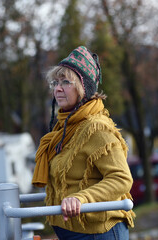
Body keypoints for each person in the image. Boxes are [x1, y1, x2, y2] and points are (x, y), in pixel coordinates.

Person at [32, 46, 135, 240]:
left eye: (66, 82)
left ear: (83, 88)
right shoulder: (63, 129)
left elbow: (121, 179)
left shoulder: (97, 128)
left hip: (99, 233)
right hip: (72, 232)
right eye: (56, 82)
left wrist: (81, 198)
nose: (58, 88)